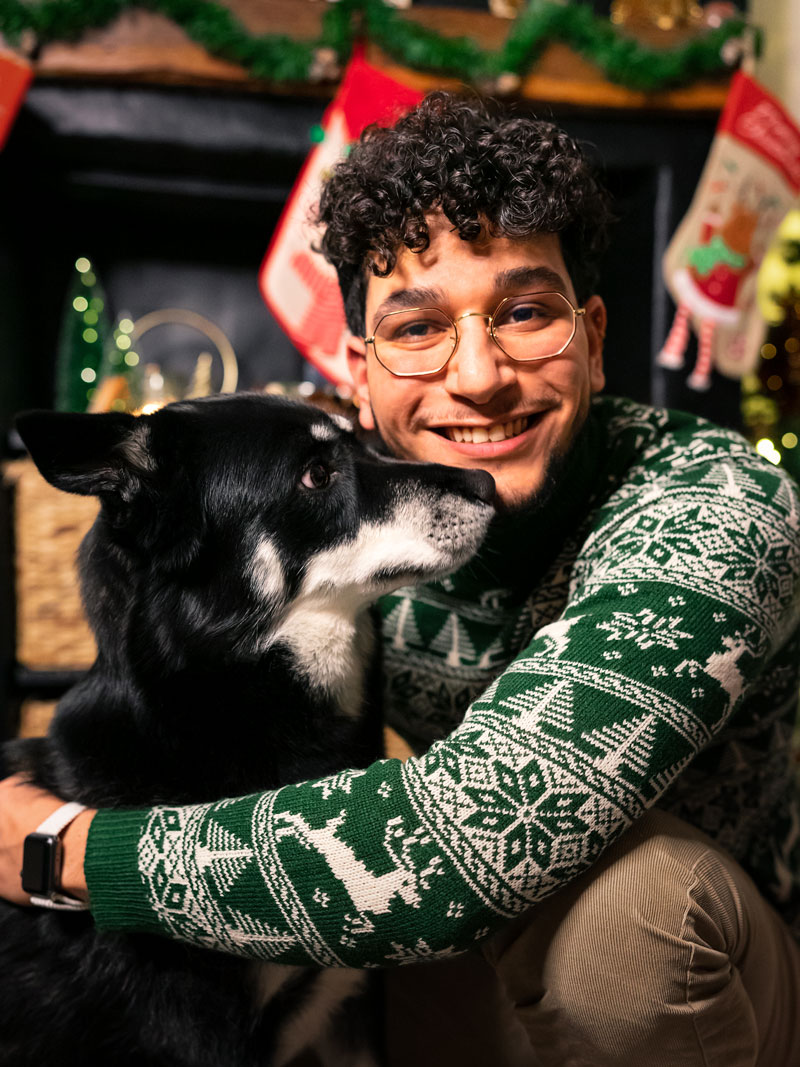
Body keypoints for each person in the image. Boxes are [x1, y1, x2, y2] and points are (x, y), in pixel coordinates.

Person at [2, 92, 800, 1065]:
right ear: (358, 372)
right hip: (493, 908)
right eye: (418, 327)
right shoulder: (357, 518)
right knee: (385, 867)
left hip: (730, 954)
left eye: (523, 311)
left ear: (591, 338)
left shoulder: (714, 509)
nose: (477, 375)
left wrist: (63, 848)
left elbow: (477, 827)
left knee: (625, 919)